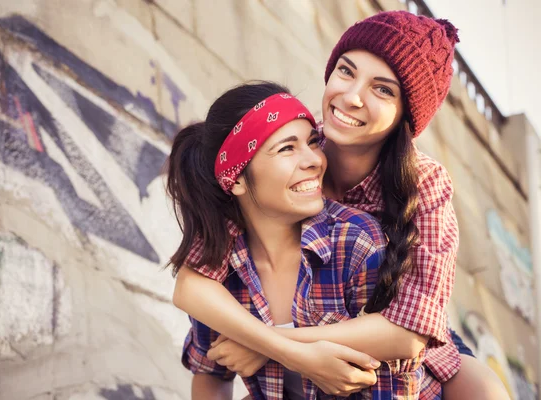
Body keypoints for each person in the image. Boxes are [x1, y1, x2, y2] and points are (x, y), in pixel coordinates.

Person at [172, 10, 510, 400]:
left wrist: (268, 341)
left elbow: (412, 331)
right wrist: (282, 347)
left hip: (402, 341)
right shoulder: (288, 150)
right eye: (346, 72)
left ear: (405, 114)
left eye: (383, 89)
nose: (352, 97)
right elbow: (195, 282)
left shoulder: (422, 184)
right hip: (305, 347)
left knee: (485, 390)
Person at [166, 81, 442, 399]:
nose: (314, 160)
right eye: (287, 148)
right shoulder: (220, 268)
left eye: (312, 142)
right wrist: (294, 354)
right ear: (237, 179)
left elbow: (398, 379)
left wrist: (266, 344)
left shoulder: (356, 244)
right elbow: (211, 372)